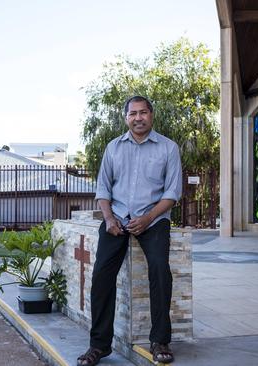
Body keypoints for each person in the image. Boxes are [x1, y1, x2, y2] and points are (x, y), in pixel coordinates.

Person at [77, 95, 182, 365]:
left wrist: (148, 218)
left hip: (154, 220)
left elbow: (172, 193)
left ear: (151, 115)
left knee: (160, 270)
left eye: (143, 112)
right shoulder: (113, 148)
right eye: (133, 113)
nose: (138, 118)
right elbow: (103, 190)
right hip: (117, 219)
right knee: (101, 275)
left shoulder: (168, 148)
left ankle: (160, 341)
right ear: (126, 117)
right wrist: (109, 219)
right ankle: (99, 345)